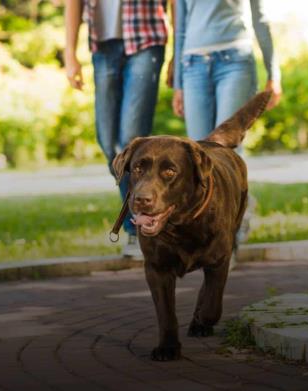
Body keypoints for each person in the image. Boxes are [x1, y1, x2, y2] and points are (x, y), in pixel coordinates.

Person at [170, 0, 282, 246]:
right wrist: (178, 84)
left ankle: (228, 239)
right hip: (193, 66)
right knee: (198, 158)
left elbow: (259, 18)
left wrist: (274, 73)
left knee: (224, 151)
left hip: (235, 62)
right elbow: (180, 28)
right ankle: (229, 214)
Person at [64, 0, 168, 257]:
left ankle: (139, 231)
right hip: (103, 45)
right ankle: (154, 217)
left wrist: (179, 52)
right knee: (109, 144)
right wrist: (69, 52)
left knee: (131, 141)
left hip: (146, 39)